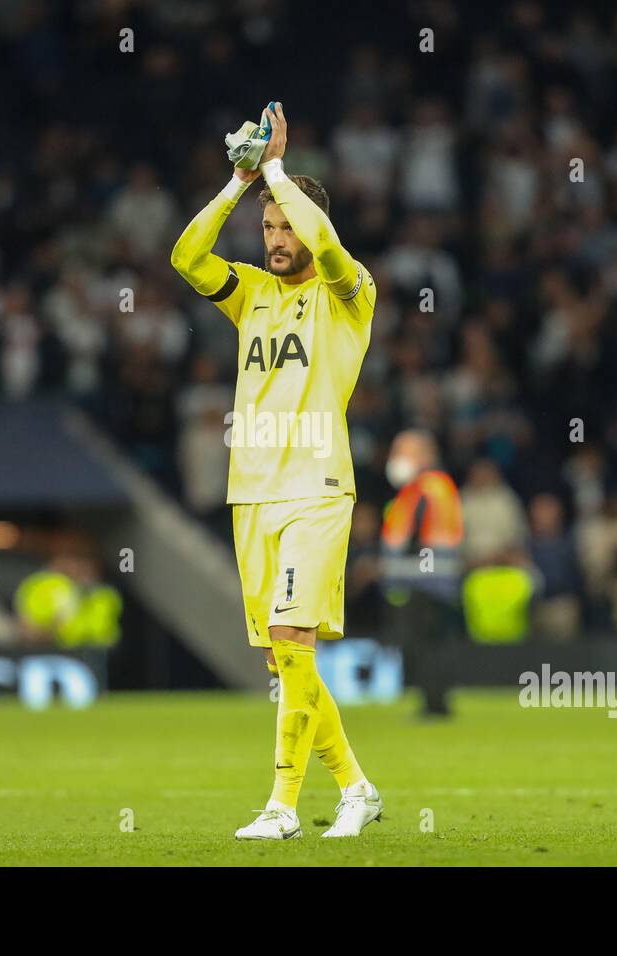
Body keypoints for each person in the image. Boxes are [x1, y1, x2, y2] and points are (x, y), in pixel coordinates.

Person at [171, 102, 381, 840]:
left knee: (293, 642)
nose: (277, 239)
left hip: (316, 489)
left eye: (285, 225)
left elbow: (325, 241)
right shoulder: (252, 295)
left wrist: (279, 171)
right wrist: (238, 185)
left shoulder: (348, 294)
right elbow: (186, 259)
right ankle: (355, 789)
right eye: (268, 228)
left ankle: (283, 807)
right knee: (282, 662)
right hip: (251, 494)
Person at [380, 430, 465, 716]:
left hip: (425, 580)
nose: (396, 459)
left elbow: (411, 538)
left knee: (426, 646)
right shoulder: (434, 486)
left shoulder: (426, 487)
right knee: (432, 644)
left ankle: (435, 704)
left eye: (402, 452)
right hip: (435, 579)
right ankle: (436, 702)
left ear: (424, 455)